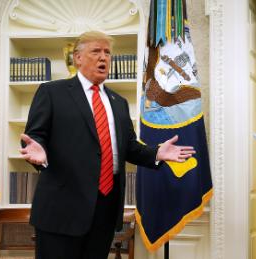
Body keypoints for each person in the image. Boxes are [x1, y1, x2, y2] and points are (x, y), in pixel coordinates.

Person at [20, 31, 195, 259]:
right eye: (96, 51)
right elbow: (35, 136)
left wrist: (157, 153)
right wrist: (40, 152)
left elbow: (129, 147)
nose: (103, 57)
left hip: (105, 209)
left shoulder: (118, 103)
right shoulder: (52, 92)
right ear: (78, 58)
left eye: (107, 52)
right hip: (61, 210)